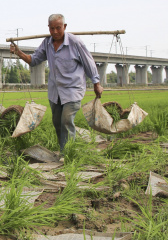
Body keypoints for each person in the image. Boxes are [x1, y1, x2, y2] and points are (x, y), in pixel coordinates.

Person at [10, 14, 103, 154]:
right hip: (55, 92)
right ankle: (64, 150)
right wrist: (18, 52)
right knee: (57, 123)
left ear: (64, 27)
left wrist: (96, 83)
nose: (54, 32)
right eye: (52, 28)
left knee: (66, 120)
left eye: (58, 28)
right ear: (48, 28)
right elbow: (34, 60)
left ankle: (68, 153)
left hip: (73, 89)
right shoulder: (47, 43)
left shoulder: (75, 42)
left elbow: (88, 63)